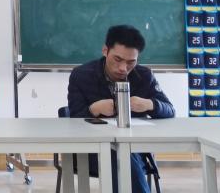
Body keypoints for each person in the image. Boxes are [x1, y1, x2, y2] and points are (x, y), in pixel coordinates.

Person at [68, 24, 174, 193]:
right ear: (105, 51)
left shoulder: (144, 76)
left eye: (131, 62)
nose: (123, 68)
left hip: (134, 148)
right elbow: (72, 120)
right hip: (92, 150)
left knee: (124, 154)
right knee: (119, 155)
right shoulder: (81, 75)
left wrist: (150, 104)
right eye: (117, 59)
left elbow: (169, 110)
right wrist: (93, 109)